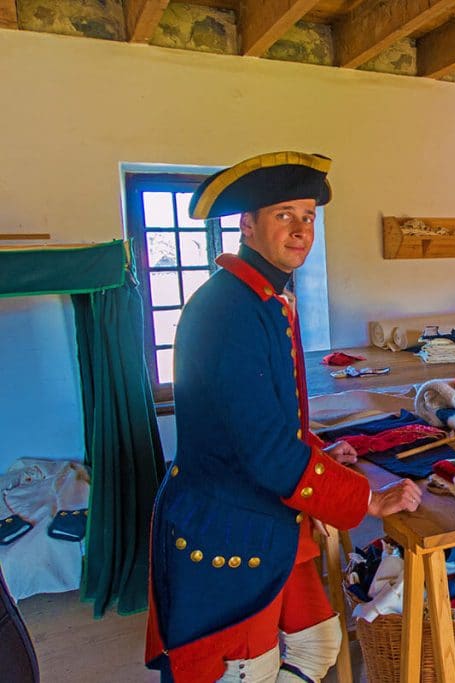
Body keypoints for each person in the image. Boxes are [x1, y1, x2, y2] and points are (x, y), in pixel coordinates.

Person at [144, 151, 421, 683]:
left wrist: (317, 452)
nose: (300, 230)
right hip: (230, 525)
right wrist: (367, 500)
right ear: (247, 225)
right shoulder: (229, 310)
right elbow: (266, 452)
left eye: (308, 217)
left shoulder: (265, 298)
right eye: (284, 216)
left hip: (268, 514)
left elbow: (271, 422)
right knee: (245, 668)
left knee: (319, 643)